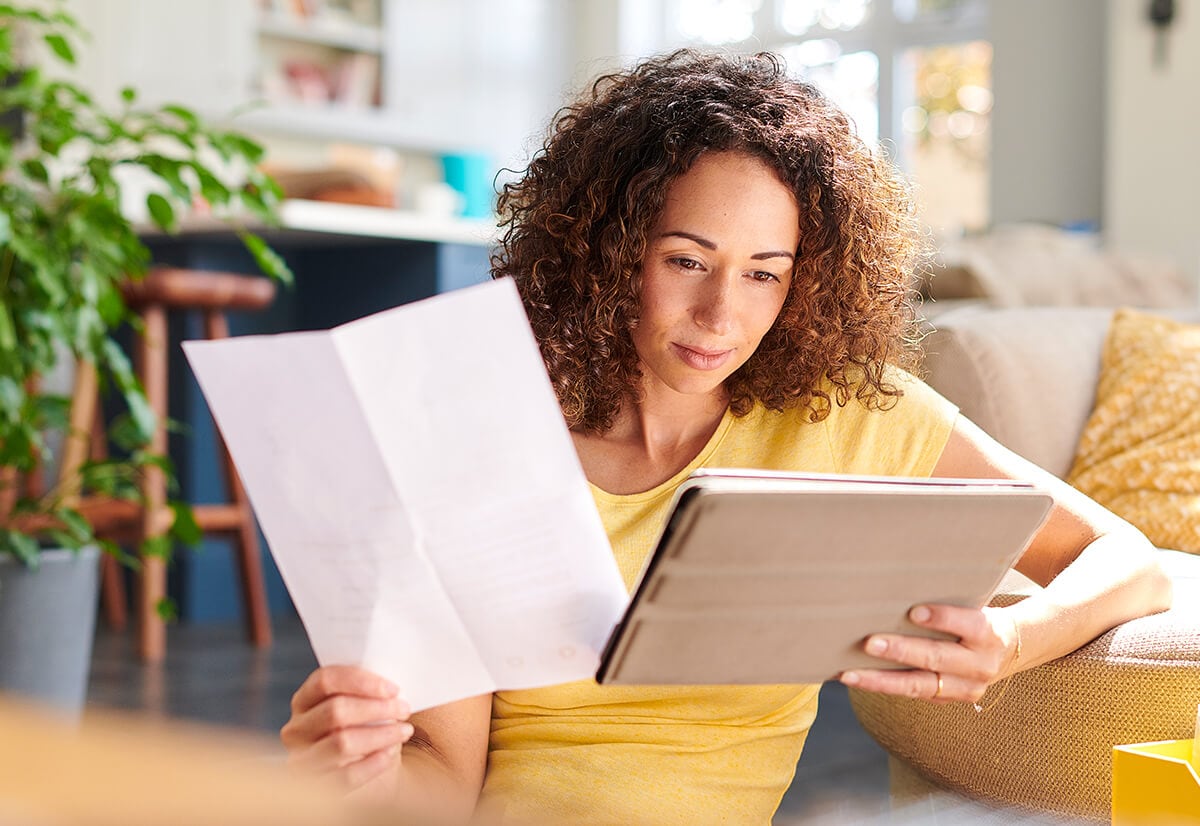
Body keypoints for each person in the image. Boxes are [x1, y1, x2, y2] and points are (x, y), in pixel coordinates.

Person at [280, 49, 1171, 825]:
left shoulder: (851, 418)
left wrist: (1015, 643)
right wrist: (360, 773)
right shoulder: (484, 441)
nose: (720, 315)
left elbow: (1130, 558)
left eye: (763, 276)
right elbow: (443, 786)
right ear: (607, 249)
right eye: (686, 261)